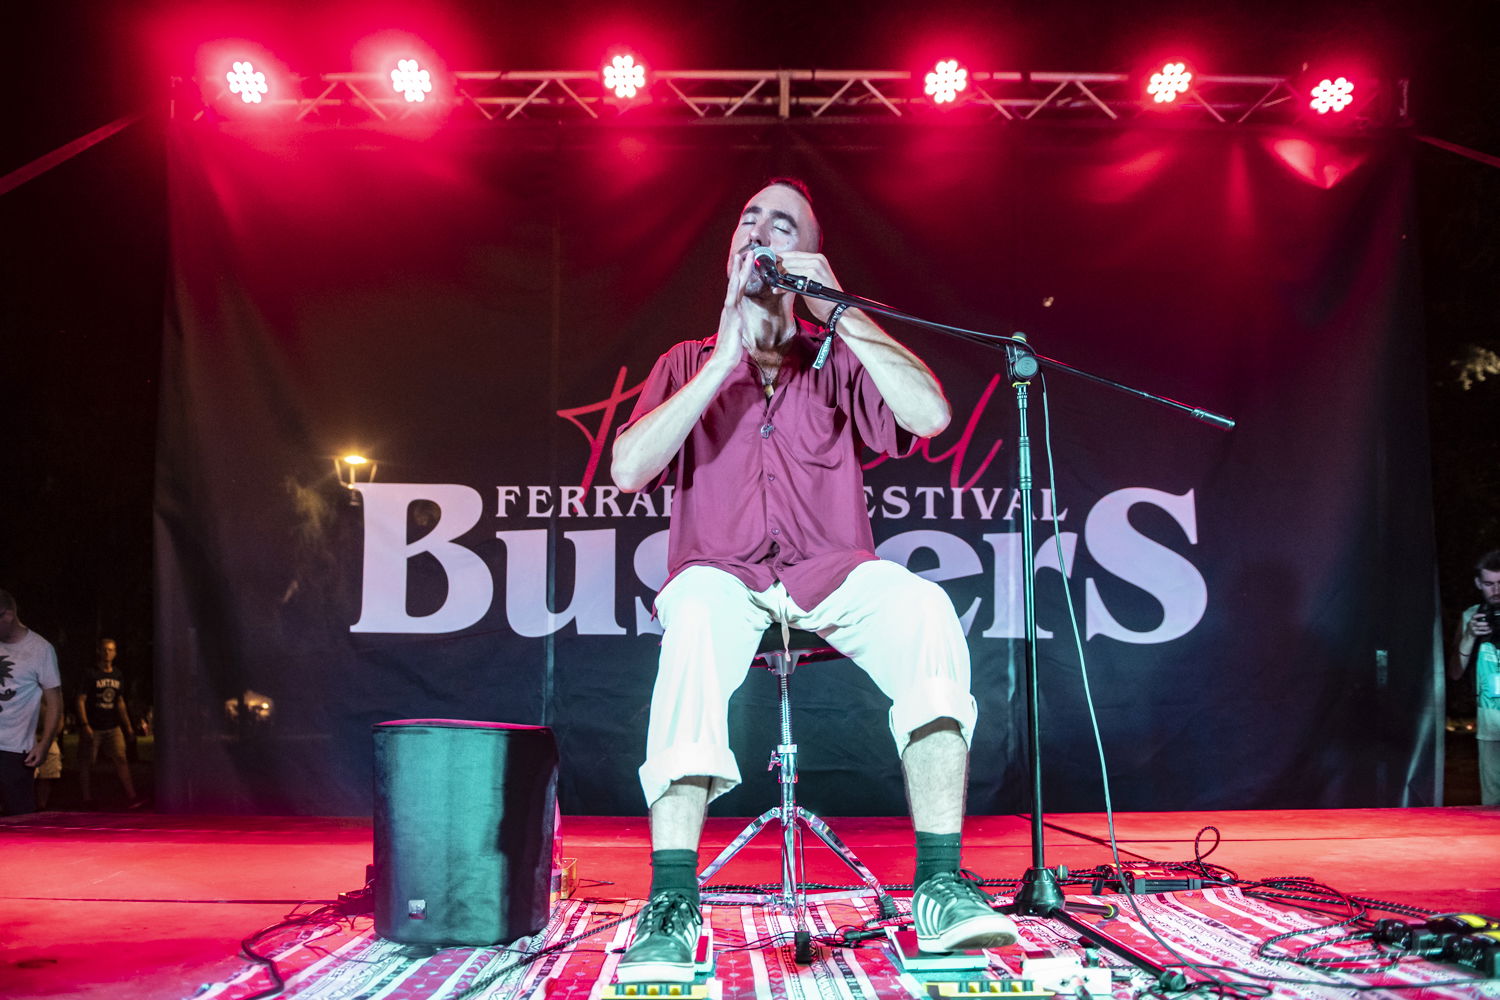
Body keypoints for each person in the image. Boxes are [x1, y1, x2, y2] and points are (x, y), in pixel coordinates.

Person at [609, 179, 1016, 982]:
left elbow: (928, 417)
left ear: (807, 257)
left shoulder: (834, 358)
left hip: (832, 573)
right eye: (747, 219)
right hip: (721, 576)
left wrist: (837, 309)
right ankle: (673, 898)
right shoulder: (686, 362)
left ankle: (938, 884)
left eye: (781, 225)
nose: (759, 233)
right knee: (689, 614)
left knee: (928, 607)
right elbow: (627, 469)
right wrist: (724, 360)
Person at [0, 589, 63, 816]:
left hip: (16, 750)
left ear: (6, 615)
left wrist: (45, 744)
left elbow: (54, 702)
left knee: (20, 818)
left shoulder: (40, 650)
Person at [1448, 550, 1500, 805]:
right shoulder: (1472, 616)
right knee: (1492, 801)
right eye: (1489, 584)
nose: (1496, 591)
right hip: (1490, 721)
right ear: (1479, 584)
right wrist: (1470, 635)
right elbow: (1455, 673)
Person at [75, 637, 142, 807]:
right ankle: (86, 798)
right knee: (87, 762)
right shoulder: (90, 673)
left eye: (111, 650)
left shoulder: (117, 675)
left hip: (112, 726)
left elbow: (119, 702)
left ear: (115, 653)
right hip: (94, 725)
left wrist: (128, 727)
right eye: (104, 649)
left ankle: (132, 796)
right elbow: (81, 699)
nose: (107, 653)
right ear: (98, 651)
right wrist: (85, 724)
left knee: (121, 758)